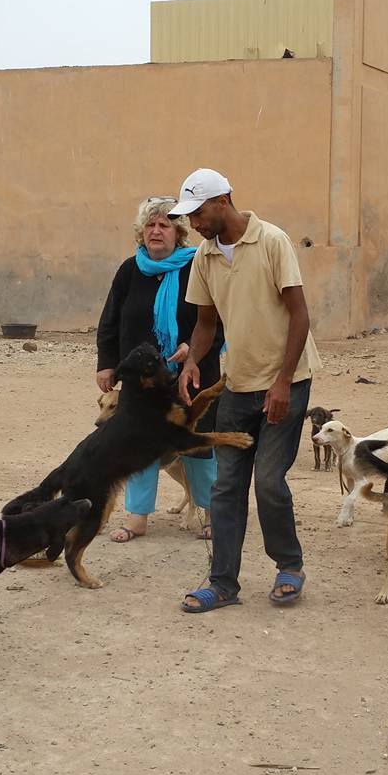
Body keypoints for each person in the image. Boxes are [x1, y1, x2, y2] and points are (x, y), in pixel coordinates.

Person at [166, 168, 319, 613]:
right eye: (188, 216)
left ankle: (289, 566)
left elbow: (300, 315)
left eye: (198, 213)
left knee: (269, 481)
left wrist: (283, 381)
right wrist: (194, 359)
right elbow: (207, 323)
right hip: (238, 382)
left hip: (285, 380)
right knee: (226, 484)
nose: (193, 223)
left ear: (224, 201)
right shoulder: (204, 257)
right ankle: (223, 583)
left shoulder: (272, 240)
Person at [96, 196, 223, 543]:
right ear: (141, 232)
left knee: (196, 445)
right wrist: (107, 364)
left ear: (178, 232)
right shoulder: (129, 270)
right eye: (150, 225)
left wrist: (192, 349)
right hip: (142, 381)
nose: (156, 231)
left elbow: (220, 319)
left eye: (164, 224)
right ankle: (137, 518)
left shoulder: (198, 266)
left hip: (191, 373)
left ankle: (212, 513)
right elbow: (110, 320)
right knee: (138, 444)